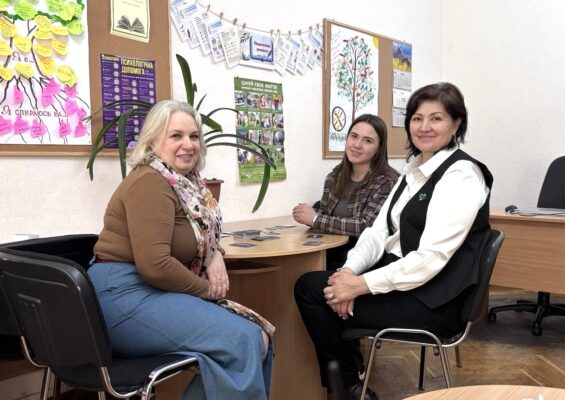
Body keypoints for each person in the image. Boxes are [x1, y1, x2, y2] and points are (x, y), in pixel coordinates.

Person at [294, 82, 493, 400]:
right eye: (417, 118)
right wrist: (348, 273)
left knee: (312, 292)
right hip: (406, 282)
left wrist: (361, 285)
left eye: (436, 118)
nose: (424, 127)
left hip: (435, 299)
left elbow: (430, 258)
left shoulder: (462, 175)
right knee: (320, 286)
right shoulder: (413, 170)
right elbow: (376, 231)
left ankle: (348, 388)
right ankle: (351, 385)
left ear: (456, 124)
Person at [88, 100, 273, 400]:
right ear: (153, 141)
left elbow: (198, 234)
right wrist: (207, 290)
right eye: (176, 136)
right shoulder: (150, 181)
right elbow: (156, 265)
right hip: (122, 295)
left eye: (194, 136)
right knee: (243, 340)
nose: (188, 144)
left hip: (149, 288)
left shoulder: (186, 184)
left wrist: (215, 254)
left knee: (258, 339)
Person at [292, 114, 399, 270]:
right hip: (330, 251)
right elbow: (325, 213)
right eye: (354, 136)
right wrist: (306, 213)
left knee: (305, 276)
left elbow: (366, 226)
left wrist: (315, 219)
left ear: (379, 149)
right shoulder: (334, 177)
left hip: (363, 262)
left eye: (367, 141)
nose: (357, 145)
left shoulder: (387, 181)